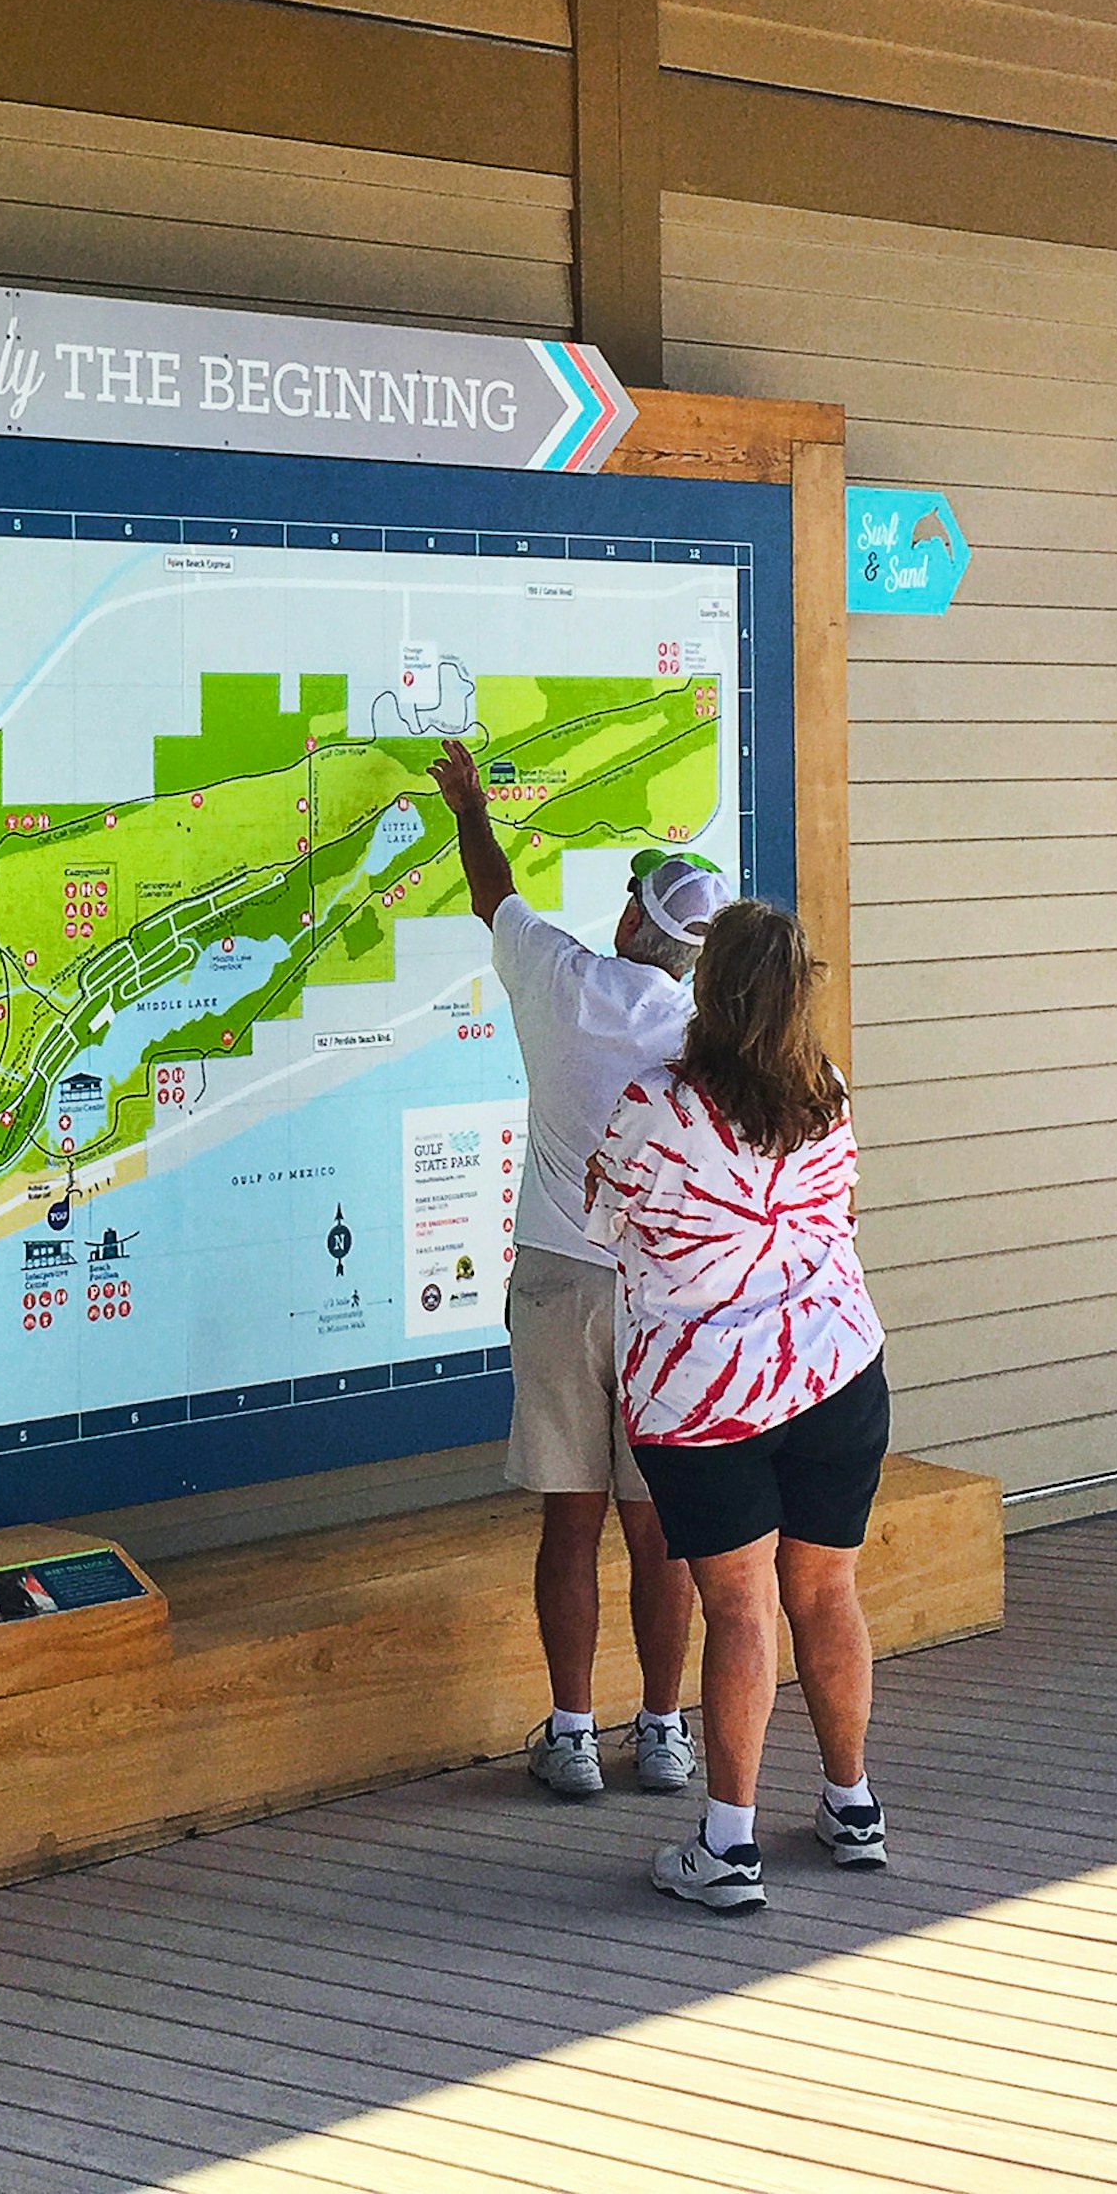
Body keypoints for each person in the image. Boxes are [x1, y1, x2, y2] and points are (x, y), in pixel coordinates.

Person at [426, 737, 720, 1802]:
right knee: (661, 1527)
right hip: (662, 1295)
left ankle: (573, 1735)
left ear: (640, 920)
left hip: (558, 1282)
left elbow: (492, 888)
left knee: (572, 1517)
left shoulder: (558, 980)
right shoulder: (705, 1031)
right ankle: (666, 1730)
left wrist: (468, 802)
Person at [583, 896, 890, 1912]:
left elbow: (600, 1221)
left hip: (706, 1398)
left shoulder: (654, 1105)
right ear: (802, 993)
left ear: (706, 992)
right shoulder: (829, 1092)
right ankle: (851, 1807)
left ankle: (729, 1848)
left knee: (738, 1608)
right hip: (838, 1372)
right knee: (825, 1593)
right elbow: (835, 1212)